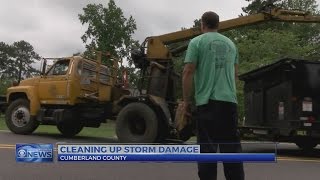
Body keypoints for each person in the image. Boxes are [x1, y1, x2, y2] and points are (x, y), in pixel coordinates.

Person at [182, 11, 245, 180]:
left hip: (207, 103)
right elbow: (235, 74)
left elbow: (188, 72)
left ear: (202, 24)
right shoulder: (232, 45)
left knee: (207, 151)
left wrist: (186, 102)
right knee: (231, 150)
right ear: (218, 25)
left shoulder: (196, 42)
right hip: (229, 103)